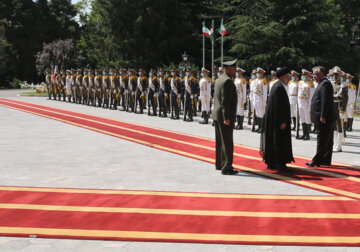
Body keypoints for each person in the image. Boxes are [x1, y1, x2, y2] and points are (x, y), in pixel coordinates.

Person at [260, 67, 294, 172]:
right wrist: (283, 121)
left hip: (274, 120)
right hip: (278, 121)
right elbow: (279, 107)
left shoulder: (277, 85)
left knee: (273, 141)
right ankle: (280, 164)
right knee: (279, 141)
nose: (289, 78)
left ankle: (272, 162)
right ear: (283, 76)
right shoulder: (278, 87)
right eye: (288, 76)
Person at [213, 59, 238, 175]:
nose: (235, 71)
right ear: (227, 69)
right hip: (224, 116)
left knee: (220, 141)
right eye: (233, 69)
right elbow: (225, 101)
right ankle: (227, 167)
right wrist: (226, 117)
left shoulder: (219, 79)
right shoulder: (227, 81)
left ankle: (219, 163)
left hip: (217, 115)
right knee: (227, 142)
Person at [306, 66, 334, 167]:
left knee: (322, 139)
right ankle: (325, 160)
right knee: (327, 139)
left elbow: (325, 101)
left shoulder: (325, 83)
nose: (314, 76)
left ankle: (316, 160)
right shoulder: (322, 83)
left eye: (315, 74)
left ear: (322, 74)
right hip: (323, 115)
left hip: (323, 117)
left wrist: (323, 115)